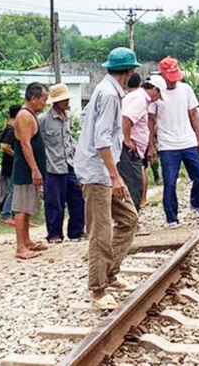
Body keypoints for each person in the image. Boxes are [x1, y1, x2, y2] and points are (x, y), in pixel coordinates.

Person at [74, 47, 141, 310]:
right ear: (130, 71)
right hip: (97, 172)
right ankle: (98, 289)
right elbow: (102, 138)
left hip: (104, 169)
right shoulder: (109, 95)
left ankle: (110, 272)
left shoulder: (106, 91)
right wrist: (115, 176)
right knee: (100, 231)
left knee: (129, 219)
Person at [153, 56, 199, 229]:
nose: (173, 82)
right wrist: (151, 145)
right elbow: (151, 120)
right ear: (162, 76)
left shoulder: (186, 89)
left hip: (188, 140)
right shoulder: (156, 94)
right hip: (167, 145)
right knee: (170, 182)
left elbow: (193, 114)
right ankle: (172, 218)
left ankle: (196, 202)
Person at [40, 83, 85, 243]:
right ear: (55, 102)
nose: (66, 102)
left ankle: (76, 232)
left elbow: (70, 138)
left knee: (78, 199)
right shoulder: (43, 120)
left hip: (70, 165)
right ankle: (54, 234)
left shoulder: (67, 118)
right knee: (54, 203)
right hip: (52, 166)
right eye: (63, 99)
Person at [118, 75, 166, 214]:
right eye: (159, 95)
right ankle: (131, 222)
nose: (158, 99)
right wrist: (127, 140)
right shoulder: (139, 100)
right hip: (128, 149)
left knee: (133, 183)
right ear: (155, 90)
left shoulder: (135, 96)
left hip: (131, 149)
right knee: (134, 185)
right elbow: (126, 119)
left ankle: (130, 221)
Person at [12, 82, 49, 260]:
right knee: (21, 207)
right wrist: (34, 169)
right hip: (25, 169)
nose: (45, 103)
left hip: (30, 168)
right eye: (43, 99)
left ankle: (27, 241)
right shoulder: (24, 116)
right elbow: (25, 144)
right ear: (33, 99)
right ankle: (20, 247)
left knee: (27, 207)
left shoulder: (30, 114)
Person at [0, 104, 21, 226]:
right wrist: (16, 156)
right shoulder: (10, 129)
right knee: (12, 190)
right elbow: (4, 146)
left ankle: (12, 214)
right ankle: (6, 213)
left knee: (14, 189)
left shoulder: (11, 127)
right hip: (10, 164)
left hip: (11, 164)